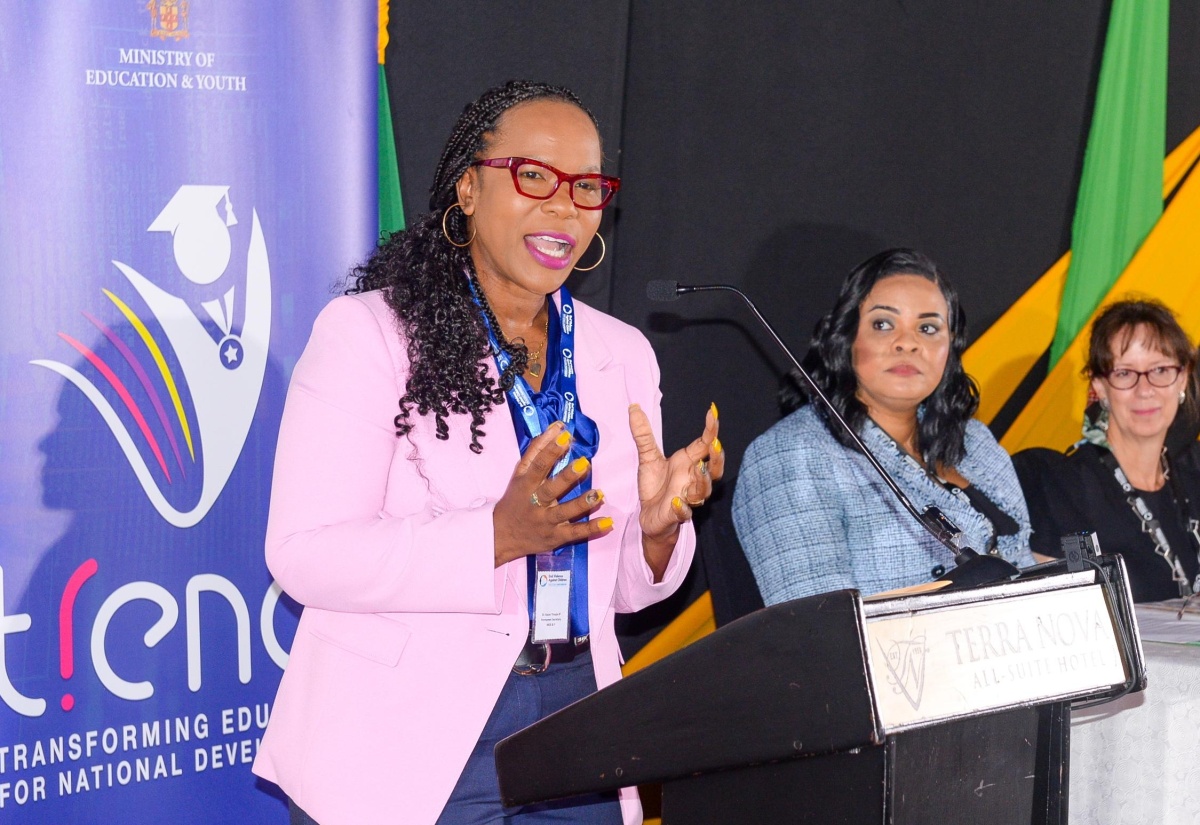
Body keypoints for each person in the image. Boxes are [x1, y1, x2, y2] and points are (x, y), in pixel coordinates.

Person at [251, 80, 723, 825]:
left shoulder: (620, 352)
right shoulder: (368, 334)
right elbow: (303, 553)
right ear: (468, 188)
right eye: (533, 176)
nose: (564, 206)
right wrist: (494, 535)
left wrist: (659, 534)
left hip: (577, 713)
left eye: (587, 186)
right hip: (405, 732)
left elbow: (628, 591)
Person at [732, 248, 1033, 605]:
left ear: (950, 349)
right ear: (846, 340)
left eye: (928, 328)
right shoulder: (791, 455)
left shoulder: (977, 442)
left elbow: (1024, 564)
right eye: (883, 324)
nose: (908, 342)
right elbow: (821, 629)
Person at [1013, 300, 1200, 603]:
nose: (1145, 389)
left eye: (1161, 370)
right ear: (1099, 385)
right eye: (1125, 374)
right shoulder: (1058, 486)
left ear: (1182, 378)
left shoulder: (1194, 472)